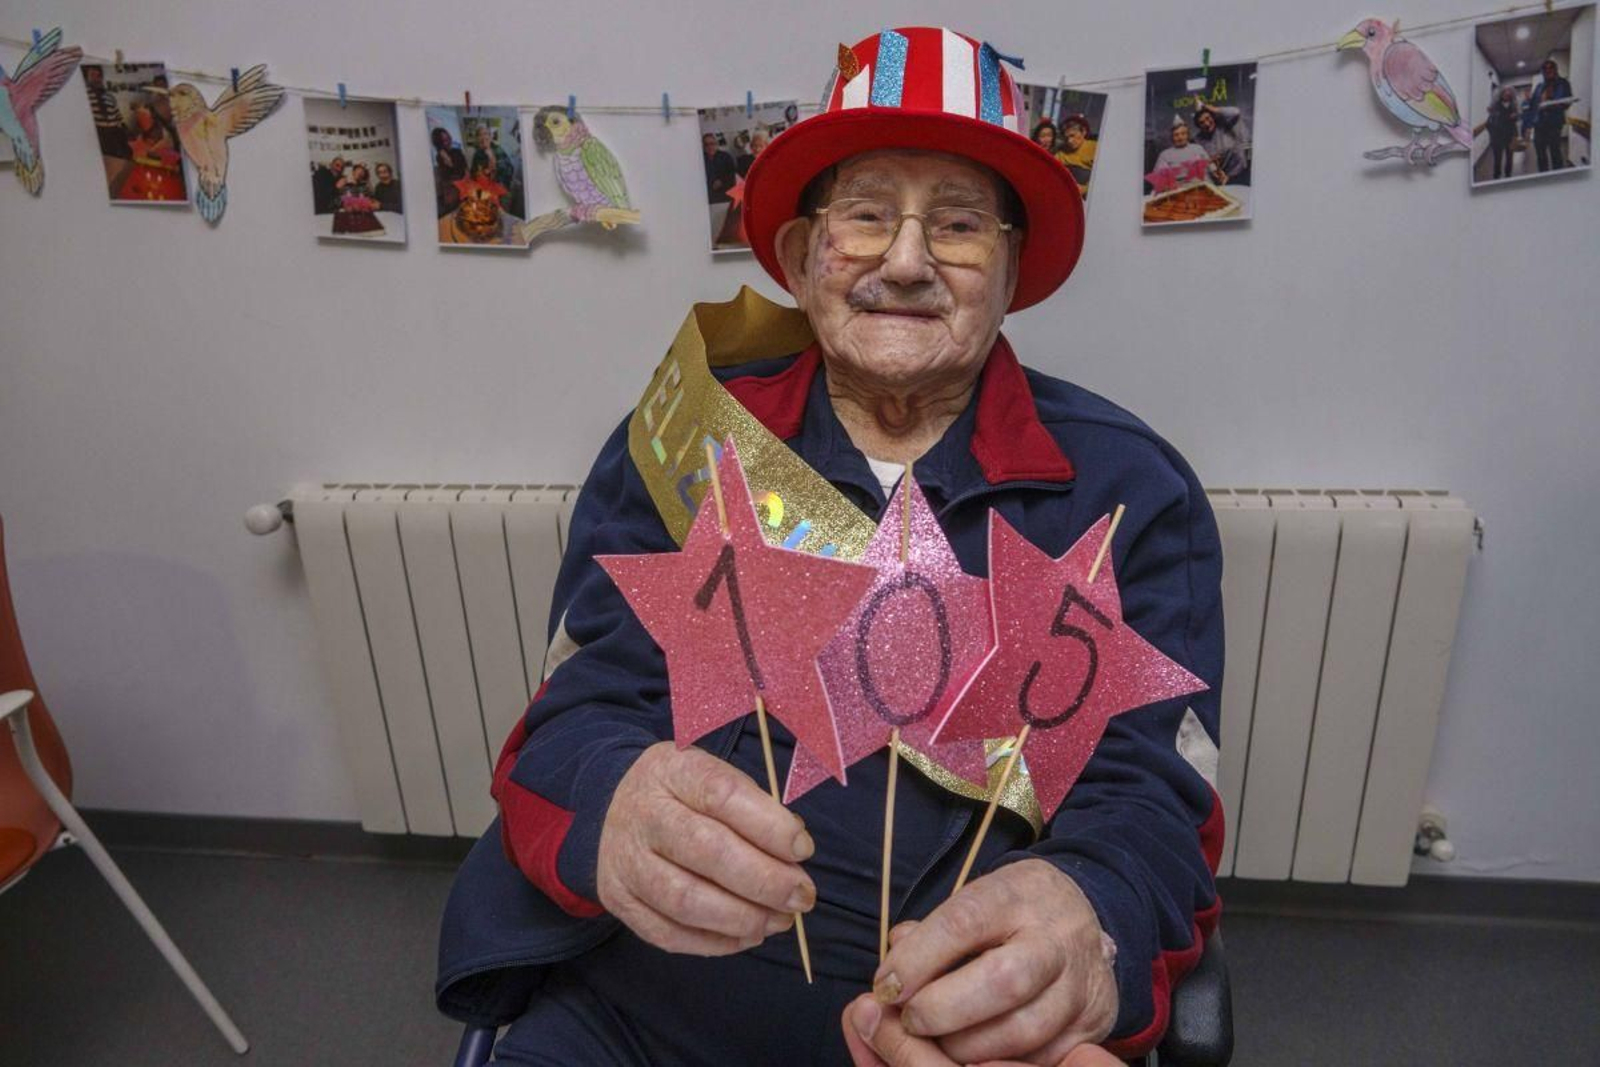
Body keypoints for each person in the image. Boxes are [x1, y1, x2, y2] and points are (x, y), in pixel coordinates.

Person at [438, 25, 1222, 1067]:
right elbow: (572, 716)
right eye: (865, 216)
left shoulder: (1131, 494)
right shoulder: (693, 440)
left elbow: (1155, 803)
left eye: (958, 225)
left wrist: (1089, 911)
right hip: (631, 1012)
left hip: (955, 1036)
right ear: (803, 257)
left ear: (1010, 269)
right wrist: (614, 803)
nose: (905, 261)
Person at [1529, 59, 1575, 172]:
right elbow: (1533, 105)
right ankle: (1544, 177)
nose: (1548, 70)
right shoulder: (1539, 86)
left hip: (1554, 124)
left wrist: (1552, 105)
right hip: (1539, 125)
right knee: (1540, 154)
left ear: (1555, 70)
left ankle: (1558, 177)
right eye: (1545, 69)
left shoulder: (1563, 83)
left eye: (1551, 68)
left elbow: (1567, 103)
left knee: (1555, 153)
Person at [1150, 114, 1215, 189]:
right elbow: (1157, 177)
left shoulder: (1198, 148)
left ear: (1188, 135)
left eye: (1183, 134)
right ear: (1172, 137)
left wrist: (1216, 172)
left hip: (1201, 185)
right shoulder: (1165, 155)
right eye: (1176, 135)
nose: (1180, 137)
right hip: (1177, 189)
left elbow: (1210, 165)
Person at [1192, 100, 1249, 184]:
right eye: (1201, 123)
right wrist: (1210, 162)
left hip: (1240, 173)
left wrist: (1210, 108)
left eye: (1208, 118)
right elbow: (1200, 162)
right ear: (1198, 126)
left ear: (1213, 117)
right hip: (1220, 178)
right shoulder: (1198, 140)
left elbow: (1236, 112)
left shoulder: (1224, 124)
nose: (1207, 124)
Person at [1056, 113, 1096, 198]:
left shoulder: (1095, 148)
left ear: (1083, 132)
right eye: (1066, 138)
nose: (1069, 141)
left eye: (1072, 135)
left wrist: (1085, 189)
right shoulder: (1062, 152)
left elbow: (1104, 175)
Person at [431, 127, 468, 217]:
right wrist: (444, 155)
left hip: (463, 183)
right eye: (444, 141)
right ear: (439, 144)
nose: (447, 142)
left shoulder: (457, 151)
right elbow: (449, 173)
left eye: (448, 138)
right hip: (451, 187)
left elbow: (464, 168)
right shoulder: (440, 156)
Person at [1486, 85, 1520, 180]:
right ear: (1501, 94)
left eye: (1509, 93)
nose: (1507, 94)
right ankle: (1496, 176)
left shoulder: (1513, 105)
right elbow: (1491, 120)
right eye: (1505, 92)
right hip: (1497, 135)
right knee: (1497, 158)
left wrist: (1516, 116)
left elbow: (1517, 118)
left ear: (1511, 95)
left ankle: (1508, 176)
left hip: (1510, 135)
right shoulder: (1495, 105)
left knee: (1510, 157)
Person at [703, 131, 738, 203]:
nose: (709, 147)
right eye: (706, 144)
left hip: (726, 195)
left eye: (712, 143)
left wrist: (722, 181)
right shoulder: (700, 159)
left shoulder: (726, 156)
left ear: (716, 144)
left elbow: (733, 174)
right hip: (708, 197)